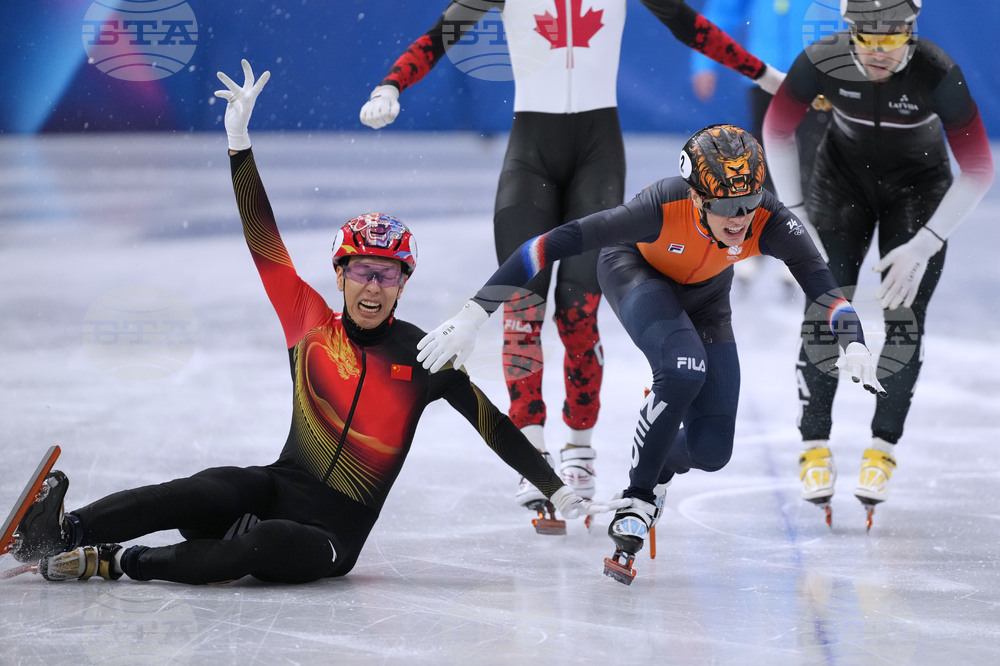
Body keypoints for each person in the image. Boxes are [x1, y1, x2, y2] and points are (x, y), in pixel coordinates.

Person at [6, 60, 599, 584]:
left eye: (388, 276)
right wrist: (239, 145)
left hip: (332, 535)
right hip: (278, 484)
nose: (374, 287)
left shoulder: (423, 355)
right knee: (205, 489)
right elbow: (263, 240)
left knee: (259, 543)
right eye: (362, 272)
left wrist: (554, 487)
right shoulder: (309, 322)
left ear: (403, 285)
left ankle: (116, 562)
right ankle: (63, 532)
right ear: (339, 276)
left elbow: (491, 424)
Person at [359, 0, 786, 517]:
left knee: (579, 313)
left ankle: (580, 450)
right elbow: (442, 34)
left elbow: (689, 26)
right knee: (523, 310)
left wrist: (765, 74)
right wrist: (391, 84)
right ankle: (532, 451)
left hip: (597, 153)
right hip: (531, 152)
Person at [414, 124, 885, 573]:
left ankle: (657, 471)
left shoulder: (770, 219)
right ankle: (637, 498)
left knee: (712, 450)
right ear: (697, 195)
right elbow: (544, 246)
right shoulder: (659, 206)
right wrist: (472, 316)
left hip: (706, 301)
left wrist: (855, 343)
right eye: (727, 205)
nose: (741, 218)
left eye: (749, 201)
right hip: (635, 274)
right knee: (683, 370)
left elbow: (824, 287)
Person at [762, 0, 994, 522]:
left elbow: (979, 168)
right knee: (827, 306)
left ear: (912, 34)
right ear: (849, 35)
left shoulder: (937, 71)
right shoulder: (823, 57)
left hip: (917, 189)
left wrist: (925, 243)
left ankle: (882, 447)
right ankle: (814, 443)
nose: (880, 54)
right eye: (868, 41)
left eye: (892, 41)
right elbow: (776, 131)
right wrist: (795, 213)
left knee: (904, 316)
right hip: (840, 183)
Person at [689, 0, 830, 292]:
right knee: (762, 160)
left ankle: (802, 244)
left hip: (820, 73)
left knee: (813, 161)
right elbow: (724, 10)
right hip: (765, 73)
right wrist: (703, 62)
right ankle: (753, 239)